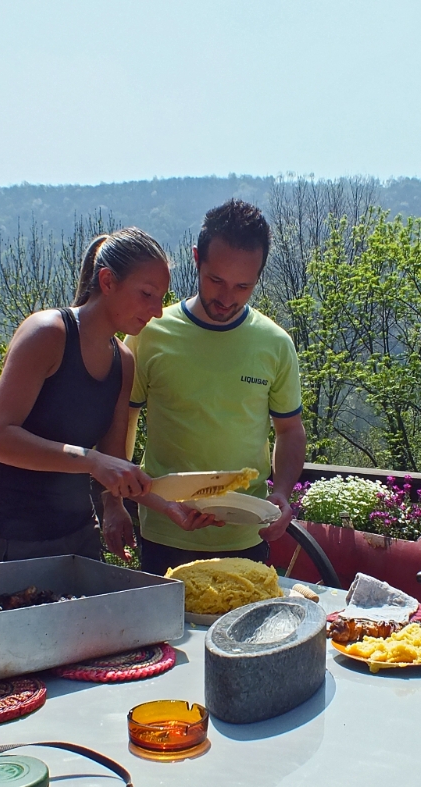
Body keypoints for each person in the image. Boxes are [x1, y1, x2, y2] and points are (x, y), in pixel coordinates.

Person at [119, 200, 307, 577]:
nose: (226, 298)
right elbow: (122, 423)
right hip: (163, 530)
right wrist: (115, 502)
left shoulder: (275, 343)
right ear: (196, 260)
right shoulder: (149, 333)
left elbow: (290, 430)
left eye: (243, 286)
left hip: (245, 535)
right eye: (216, 280)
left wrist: (282, 492)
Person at [0, 229, 169, 562]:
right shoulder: (47, 333)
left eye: (161, 298)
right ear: (107, 281)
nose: (158, 311)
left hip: (80, 533)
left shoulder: (123, 361)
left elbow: (114, 460)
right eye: (147, 294)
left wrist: (167, 509)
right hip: (14, 538)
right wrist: (91, 461)